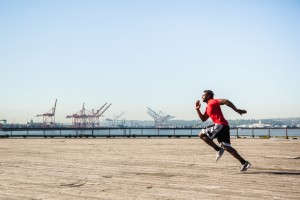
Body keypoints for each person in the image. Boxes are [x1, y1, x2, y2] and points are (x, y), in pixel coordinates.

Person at [195, 90, 251, 172]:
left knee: (201, 134)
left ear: (208, 96)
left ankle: (218, 149)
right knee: (226, 147)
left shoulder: (213, 101)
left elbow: (225, 101)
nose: (202, 97)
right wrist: (197, 110)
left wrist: (236, 110)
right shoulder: (208, 107)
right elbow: (203, 119)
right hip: (224, 126)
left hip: (220, 125)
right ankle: (244, 162)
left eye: (203, 95)